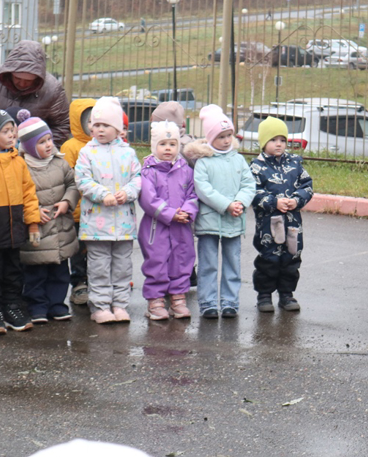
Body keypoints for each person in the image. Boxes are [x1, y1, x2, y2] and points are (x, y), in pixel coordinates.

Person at [182, 104, 255, 319]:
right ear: (210, 137)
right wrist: (227, 205)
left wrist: (240, 201)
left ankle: (230, 302)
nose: (226, 140)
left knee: (233, 262)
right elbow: (203, 189)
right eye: (221, 136)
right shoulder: (204, 161)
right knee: (208, 264)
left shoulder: (238, 159)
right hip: (210, 222)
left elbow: (248, 184)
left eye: (229, 135)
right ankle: (208, 303)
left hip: (234, 220)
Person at [74, 97, 141, 324]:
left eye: (105, 125)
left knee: (122, 266)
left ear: (119, 129)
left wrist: (128, 192)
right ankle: (100, 306)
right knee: (99, 266)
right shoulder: (87, 152)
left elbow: (138, 179)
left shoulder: (129, 153)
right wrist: (103, 194)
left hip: (123, 223)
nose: (99, 129)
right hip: (96, 223)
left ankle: (120, 304)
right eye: (96, 125)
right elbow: (82, 180)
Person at [0, 108, 41, 334]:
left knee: (14, 271)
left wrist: (33, 223)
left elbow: (29, 193)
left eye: (12, 131)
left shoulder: (18, 162)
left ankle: (13, 307)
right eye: (5, 131)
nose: (11, 135)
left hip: (15, 229)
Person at [250, 117, 314, 312]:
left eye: (282, 140)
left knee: (291, 257)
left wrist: (296, 200)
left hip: (293, 223)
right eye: (273, 140)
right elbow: (253, 192)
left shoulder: (295, 163)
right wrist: (273, 202)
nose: (279, 144)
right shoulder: (257, 167)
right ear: (263, 142)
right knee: (268, 259)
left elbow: (307, 186)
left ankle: (287, 294)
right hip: (269, 224)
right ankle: (264, 295)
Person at [18, 117, 79, 323]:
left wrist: (67, 202)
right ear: (28, 146)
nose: (48, 145)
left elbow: (72, 185)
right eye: (41, 142)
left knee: (60, 272)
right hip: (37, 231)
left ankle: (57, 305)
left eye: (49, 140)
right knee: (35, 272)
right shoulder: (21, 167)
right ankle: (37, 307)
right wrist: (32, 212)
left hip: (61, 227)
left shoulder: (60, 163)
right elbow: (18, 196)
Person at [138, 120, 198, 320]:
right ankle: (155, 300)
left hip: (181, 225)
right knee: (157, 260)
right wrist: (170, 213)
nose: (168, 149)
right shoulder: (149, 171)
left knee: (182, 258)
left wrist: (187, 212)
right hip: (157, 227)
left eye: (172, 144)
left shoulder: (186, 170)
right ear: (154, 146)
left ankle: (178, 297)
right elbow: (148, 199)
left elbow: (192, 194)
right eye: (163, 144)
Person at [0, 40, 71, 147]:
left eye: (28, 81)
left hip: (32, 153)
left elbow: (62, 125)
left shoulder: (52, 90)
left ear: (38, 78)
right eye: (17, 78)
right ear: (10, 73)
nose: (22, 83)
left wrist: (41, 148)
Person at [60, 98, 96, 306]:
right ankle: (79, 283)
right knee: (78, 251)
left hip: (98, 211)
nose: (93, 126)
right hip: (78, 212)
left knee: (96, 250)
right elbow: (66, 178)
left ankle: (96, 281)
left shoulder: (103, 144)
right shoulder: (71, 146)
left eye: (97, 121)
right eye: (89, 121)